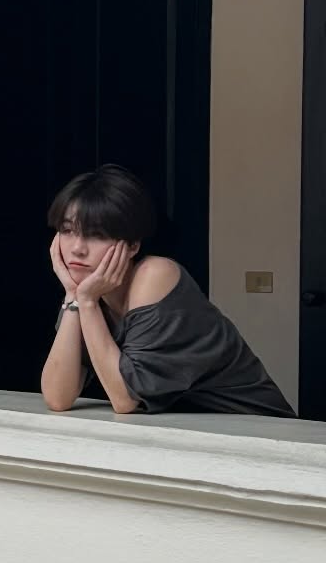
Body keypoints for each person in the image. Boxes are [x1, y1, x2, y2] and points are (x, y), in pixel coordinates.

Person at [40, 164, 293, 417]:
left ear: (132, 245)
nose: (77, 248)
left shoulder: (155, 275)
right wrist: (74, 297)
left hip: (257, 428)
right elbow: (57, 397)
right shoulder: (89, 293)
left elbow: (125, 399)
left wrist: (86, 302)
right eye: (67, 230)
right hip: (185, 430)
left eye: (96, 234)